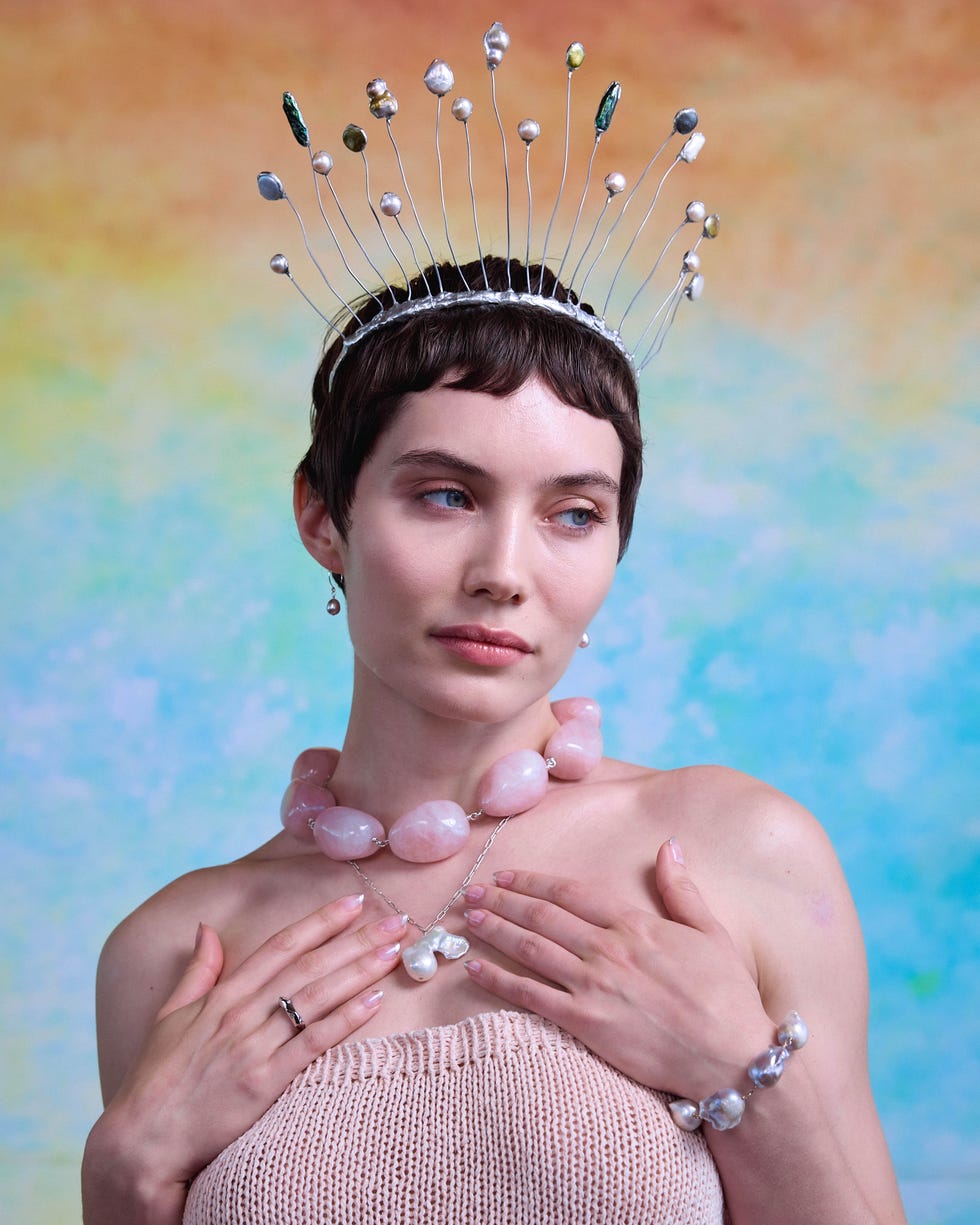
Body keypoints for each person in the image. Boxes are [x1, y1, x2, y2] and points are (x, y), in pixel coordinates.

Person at [82, 29, 907, 1221]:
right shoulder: (176, 948)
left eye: (572, 513)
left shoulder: (731, 855)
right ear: (324, 513)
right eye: (444, 495)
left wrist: (740, 1077)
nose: (502, 572)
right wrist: (124, 1176)